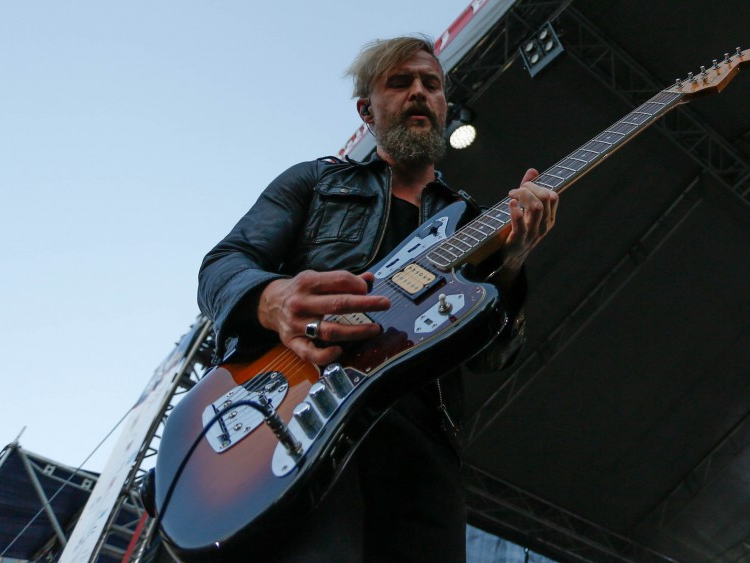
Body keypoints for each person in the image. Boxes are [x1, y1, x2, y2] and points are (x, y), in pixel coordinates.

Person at [197, 36, 558, 561]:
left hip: (423, 453)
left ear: (444, 106)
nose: (419, 92)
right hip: (303, 413)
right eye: (400, 82)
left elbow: (495, 357)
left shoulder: (473, 223)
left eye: (431, 84)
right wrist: (273, 299)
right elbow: (222, 266)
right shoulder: (316, 181)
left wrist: (513, 261)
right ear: (367, 110)